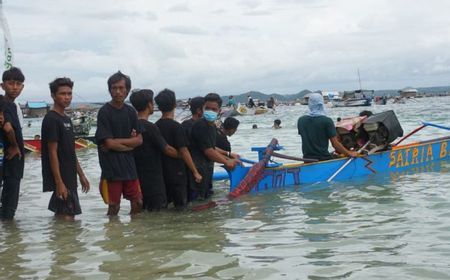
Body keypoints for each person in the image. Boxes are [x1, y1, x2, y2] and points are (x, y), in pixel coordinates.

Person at [41, 78, 90, 220]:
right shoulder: (51, 119)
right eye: (63, 93)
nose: (67, 97)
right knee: (66, 218)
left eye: (69, 93)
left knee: (67, 218)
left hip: (70, 177)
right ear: (53, 95)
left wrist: (81, 175)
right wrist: (59, 182)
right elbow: (52, 152)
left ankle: (61, 242)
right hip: (61, 178)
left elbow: (70, 151)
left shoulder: (67, 119)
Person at [95, 71, 143, 216]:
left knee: (138, 203)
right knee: (114, 207)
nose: (118, 91)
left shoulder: (130, 112)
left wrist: (117, 142)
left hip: (129, 166)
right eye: (114, 88)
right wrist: (129, 145)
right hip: (111, 168)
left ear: (127, 90)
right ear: (109, 90)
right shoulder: (104, 112)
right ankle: (113, 235)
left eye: (121, 88)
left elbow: (139, 140)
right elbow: (108, 144)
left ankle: (134, 233)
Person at [130, 89, 182, 211]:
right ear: (149, 104)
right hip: (153, 178)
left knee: (142, 209)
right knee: (158, 211)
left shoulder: (132, 125)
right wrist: (184, 155)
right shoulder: (150, 127)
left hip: (137, 176)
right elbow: (167, 149)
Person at [155, 89, 202, 210]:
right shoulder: (177, 127)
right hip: (178, 173)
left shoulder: (155, 126)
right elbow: (184, 151)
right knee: (181, 207)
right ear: (175, 104)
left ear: (159, 107)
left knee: (166, 207)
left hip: (161, 173)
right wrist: (195, 171)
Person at [190, 93, 240, 200]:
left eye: (214, 109)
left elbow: (212, 147)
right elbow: (208, 151)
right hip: (196, 175)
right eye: (207, 108)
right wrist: (227, 162)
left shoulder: (212, 126)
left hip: (206, 172)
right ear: (202, 108)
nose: (210, 111)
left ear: (219, 110)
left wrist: (228, 157)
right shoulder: (201, 125)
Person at [297, 93, 358, 161]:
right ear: (321, 104)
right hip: (323, 158)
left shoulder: (301, 120)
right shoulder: (327, 121)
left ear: (310, 104)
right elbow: (335, 144)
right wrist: (349, 153)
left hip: (307, 159)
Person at [0, 67, 25, 221]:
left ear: (22, 87)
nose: (15, 87)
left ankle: (8, 241)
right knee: (9, 207)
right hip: (11, 160)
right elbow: (8, 128)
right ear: (3, 86)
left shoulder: (12, 105)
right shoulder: (6, 104)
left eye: (18, 84)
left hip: (7, 160)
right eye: (11, 83)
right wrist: (15, 146)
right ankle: (10, 238)